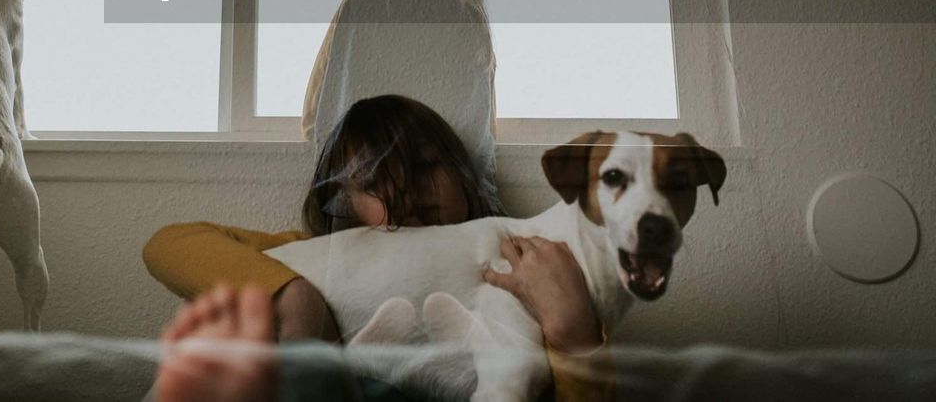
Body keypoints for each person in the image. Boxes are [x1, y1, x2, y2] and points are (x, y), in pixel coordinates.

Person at [144, 95, 607, 401]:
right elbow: (169, 243)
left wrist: (575, 334)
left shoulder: (523, 269)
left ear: (463, 176)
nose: (406, 193)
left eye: (426, 166)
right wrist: (294, 295)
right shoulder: (316, 256)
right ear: (345, 206)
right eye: (377, 183)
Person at [303, 0, 499, 196]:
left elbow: (320, 120)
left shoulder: (361, 8)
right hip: (469, 204)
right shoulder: (469, 20)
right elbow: (484, 140)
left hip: (383, 201)